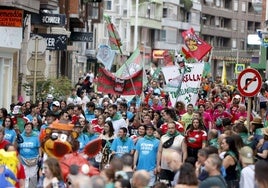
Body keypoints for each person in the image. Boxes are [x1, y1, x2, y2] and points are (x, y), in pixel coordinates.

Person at [157, 121, 187, 186]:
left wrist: (183, 164)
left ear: (175, 128)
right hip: (164, 166)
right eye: (169, 128)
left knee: (175, 185)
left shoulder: (181, 138)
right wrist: (158, 165)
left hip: (176, 167)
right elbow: (159, 151)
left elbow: (184, 152)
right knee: (164, 185)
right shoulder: (163, 137)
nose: (171, 130)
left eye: (172, 128)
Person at [18, 122, 41, 188]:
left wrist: (40, 156)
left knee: (33, 176)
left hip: (34, 160)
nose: (27, 128)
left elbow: (39, 147)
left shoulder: (36, 137)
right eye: (26, 127)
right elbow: (17, 146)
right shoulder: (21, 136)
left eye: (29, 127)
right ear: (24, 128)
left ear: (32, 129)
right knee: (25, 176)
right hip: (23, 159)